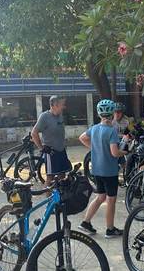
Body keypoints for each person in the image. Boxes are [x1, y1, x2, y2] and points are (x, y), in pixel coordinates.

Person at [78, 99, 129, 237]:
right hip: (109, 171)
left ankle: (85, 222)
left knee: (100, 197)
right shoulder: (111, 131)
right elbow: (114, 153)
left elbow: (82, 138)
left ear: (99, 114)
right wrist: (125, 152)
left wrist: (95, 148)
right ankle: (110, 229)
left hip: (97, 170)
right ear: (112, 114)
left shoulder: (94, 128)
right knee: (110, 200)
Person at [31, 95, 72, 179]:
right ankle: (47, 192)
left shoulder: (60, 115)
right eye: (62, 104)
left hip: (61, 151)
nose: (64, 107)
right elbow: (34, 133)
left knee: (62, 176)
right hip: (51, 152)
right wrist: (41, 148)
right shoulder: (44, 117)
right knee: (50, 178)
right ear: (55, 105)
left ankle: (60, 192)